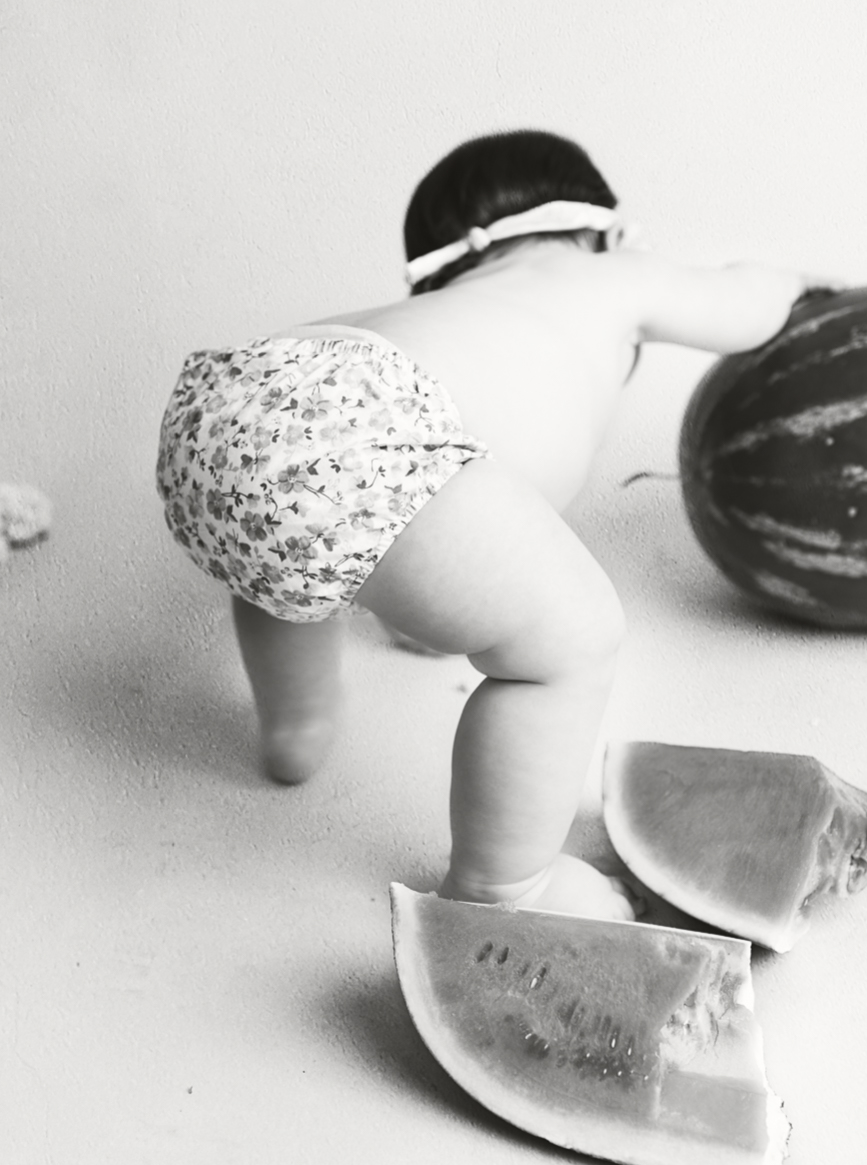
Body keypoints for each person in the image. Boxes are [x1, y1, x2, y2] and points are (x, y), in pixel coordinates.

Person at [160, 130, 813, 917]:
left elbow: (374, 501)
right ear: (605, 230)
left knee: (289, 525)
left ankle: (295, 723)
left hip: (233, 404)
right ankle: (504, 883)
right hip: (361, 437)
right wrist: (784, 282)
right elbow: (739, 310)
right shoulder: (608, 271)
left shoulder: (441, 310)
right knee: (572, 641)